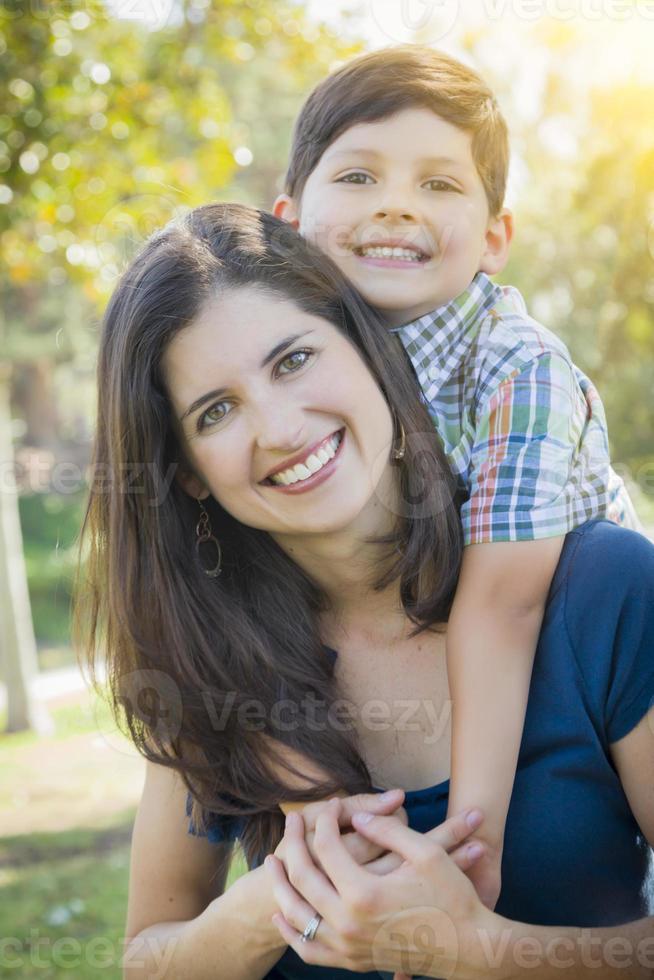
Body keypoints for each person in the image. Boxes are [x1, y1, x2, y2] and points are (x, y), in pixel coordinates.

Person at [75, 203, 654, 980]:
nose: (280, 428)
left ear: (365, 346)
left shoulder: (602, 591)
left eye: (292, 361)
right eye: (216, 411)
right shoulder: (206, 662)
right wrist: (269, 908)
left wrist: (479, 951)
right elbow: (147, 960)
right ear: (186, 472)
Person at [271, 45, 643, 908]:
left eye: (439, 186)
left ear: (495, 237)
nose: (397, 206)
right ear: (289, 219)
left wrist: (471, 851)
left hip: (571, 664)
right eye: (359, 177)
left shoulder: (521, 372)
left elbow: (505, 604)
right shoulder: (300, 376)